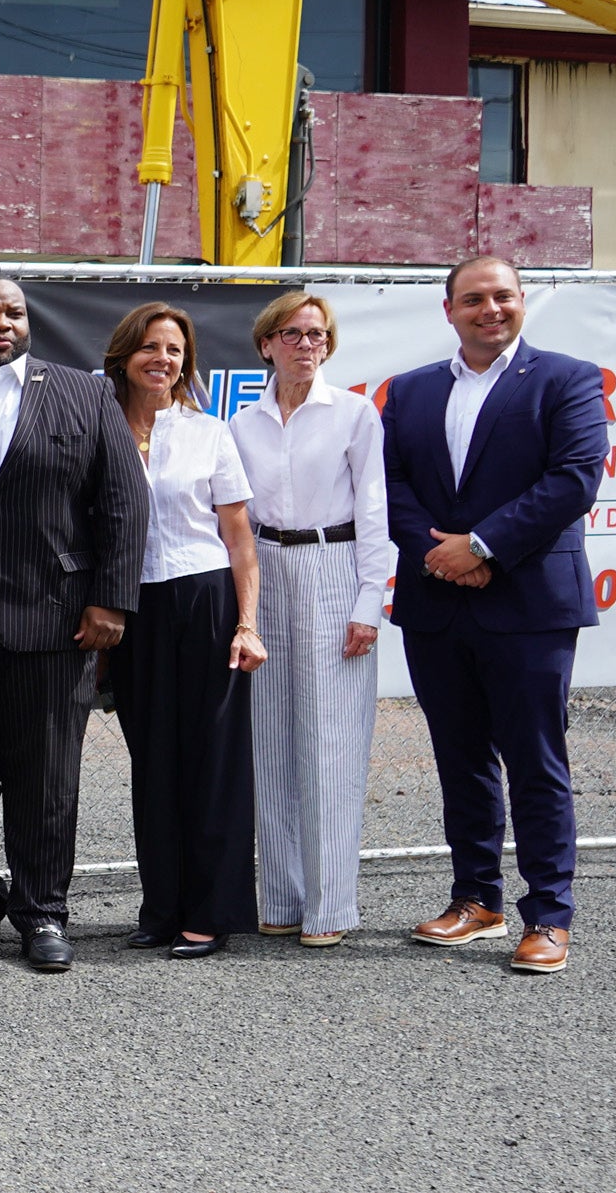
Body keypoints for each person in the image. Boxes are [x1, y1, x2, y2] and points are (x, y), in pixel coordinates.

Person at [383, 256, 604, 974]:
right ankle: (476, 899)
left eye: (503, 296)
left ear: (522, 301)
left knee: (536, 760)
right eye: (474, 298)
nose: (490, 309)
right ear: (448, 308)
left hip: (530, 601)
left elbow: (573, 478)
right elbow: (390, 484)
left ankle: (549, 915)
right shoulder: (412, 391)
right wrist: (439, 554)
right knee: (461, 756)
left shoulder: (566, 379)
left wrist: (481, 545)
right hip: (437, 604)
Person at [0, 276, 147, 973]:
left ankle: (42, 911)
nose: (2, 322)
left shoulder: (83, 393)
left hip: (55, 619)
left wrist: (111, 600)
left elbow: (123, 498)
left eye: (14, 312)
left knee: (48, 774)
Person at [229, 292, 394, 949]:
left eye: (318, 335)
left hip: (336, 564)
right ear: (266, 343)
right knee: (269, 739)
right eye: (293, 334)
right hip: (265, 567)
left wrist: (369, 601)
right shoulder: (242, 423)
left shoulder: (354, 414)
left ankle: (331, 904)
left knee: (329, 741)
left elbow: (377, 508)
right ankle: (281, 896)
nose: (307, 345)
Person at [102, 303, 267, 961]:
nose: (162, 359)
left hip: (206, 602)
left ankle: (210, 912)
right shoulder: (100, 427)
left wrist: (247, 622)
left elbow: (239, 537)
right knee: (154, 761)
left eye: (173, 349)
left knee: (215, 760)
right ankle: (161, 906)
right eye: (149, 346)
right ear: (124, 355)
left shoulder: (209, 431)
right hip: (134, 608)